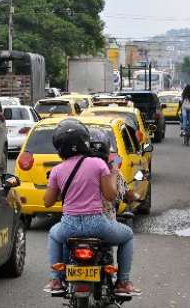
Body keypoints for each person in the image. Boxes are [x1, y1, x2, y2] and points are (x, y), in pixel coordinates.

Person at [42, 119, 140, 296]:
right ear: (84, 140)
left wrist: (58, 186)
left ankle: (56, 279)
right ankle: (123, 282)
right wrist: (115, 172)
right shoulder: (98, 164)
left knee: (54, 235)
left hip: (69, 226)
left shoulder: (57, 170)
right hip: (97, 225)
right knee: (127, 236)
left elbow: (47, 202)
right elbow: (110, 195)